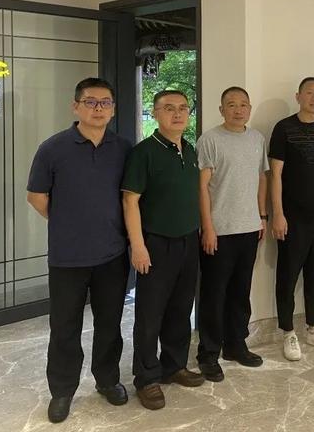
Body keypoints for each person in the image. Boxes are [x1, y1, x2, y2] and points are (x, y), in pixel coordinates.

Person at [27, 78, 131, 424]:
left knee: (110, 323)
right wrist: (67, 221)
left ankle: (108, 379)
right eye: (90, 102)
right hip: (67, 256)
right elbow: (36, 197)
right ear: (76, 106)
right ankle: (62, 390)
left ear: (113, 109)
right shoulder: (53, 148)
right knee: (64, 327)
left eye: (105, 103)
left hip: (112, 254)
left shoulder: (123, 148)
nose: (98, 108)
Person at [121, 89, 204, 411]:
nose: (178, 114)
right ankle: (146, 378)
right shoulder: (143, 152)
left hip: (188, 240)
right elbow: (130, 201)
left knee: (181, 309)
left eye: (183, 108)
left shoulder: (190, 150)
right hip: (155, 243)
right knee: (150, 314)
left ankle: (174, 365)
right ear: (155, 113)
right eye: (169, 108)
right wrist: (138, 246)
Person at [196, 87, 268, 382]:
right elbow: (201, 187)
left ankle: (236, 344)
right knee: (214, 295)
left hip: (249, 228)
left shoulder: (257, 139)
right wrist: (208, 228)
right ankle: (208, 354)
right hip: (219, 231)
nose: (238, 110)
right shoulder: (210, 140)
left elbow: (261, 178)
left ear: (249, 109)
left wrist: (262, 216)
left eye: (243, 105)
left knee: (240, 292)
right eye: (231, 105)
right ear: (221, 109)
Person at [269, 77, 314, 361]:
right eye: (310, 93)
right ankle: (288, 332)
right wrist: (277, 214)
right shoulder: (283, 128)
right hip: (291, 215)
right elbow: (275, 174)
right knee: (287, 275)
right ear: (298, 96)